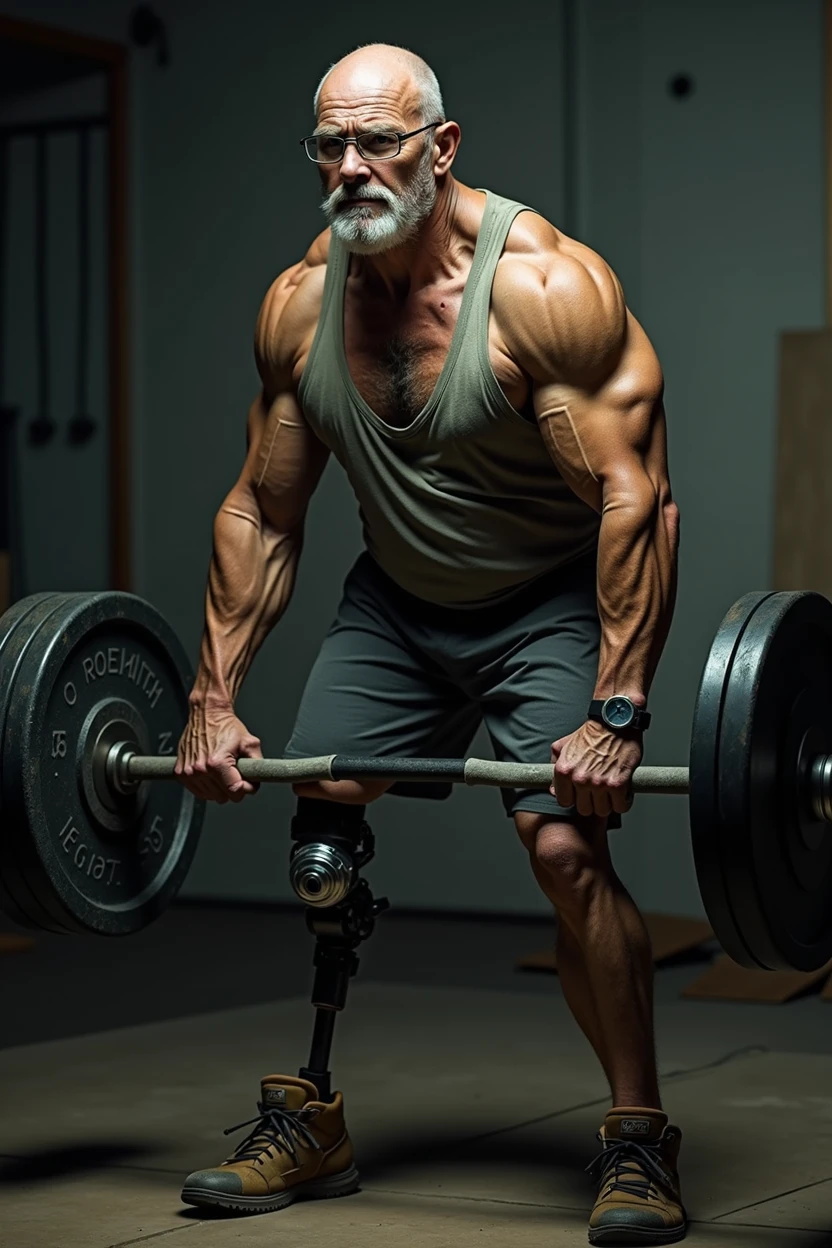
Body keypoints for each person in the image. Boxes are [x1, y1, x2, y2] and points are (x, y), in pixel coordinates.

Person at [174, 42, 684, 1247]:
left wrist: (614, 710)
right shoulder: (301, 307)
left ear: (440, 147)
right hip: (398, 610)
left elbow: (636, 500)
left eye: (379, 142)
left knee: (563, 850)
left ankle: (639, 1136)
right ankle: (313, 1117)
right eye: (329, 146)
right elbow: (262, 507)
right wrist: (211, 696)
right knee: (319, 844)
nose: (351, 168)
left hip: (548, 602)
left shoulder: (544, 291)